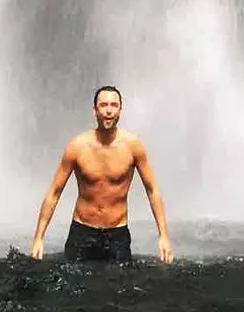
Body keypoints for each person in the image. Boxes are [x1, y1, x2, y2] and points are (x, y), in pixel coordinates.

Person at [29, 86, 174, 264]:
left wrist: (164, 235)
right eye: (103, 105)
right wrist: (39, 238)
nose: (108, 110)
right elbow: (54, 192)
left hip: (117, 233)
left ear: (120, 109)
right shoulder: (77, 146)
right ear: (95, 110)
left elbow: (152, 190)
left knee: (119, 288)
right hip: (82, 231)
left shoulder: (133, 145)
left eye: (114, 105)